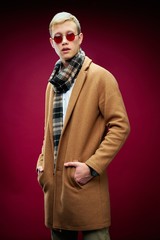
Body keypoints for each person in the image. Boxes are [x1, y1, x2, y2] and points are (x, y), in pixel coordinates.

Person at [36, 11, 130, 240]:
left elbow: (120, 126)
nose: (64, 41)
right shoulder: (53, 84)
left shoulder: (100, 77)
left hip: (85, 186)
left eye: (70, 35)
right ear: (52, 43)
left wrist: (92, 167)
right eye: (58, 37)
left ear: (80, 38)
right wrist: (42, 165)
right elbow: (49, 132)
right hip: (56, 191)